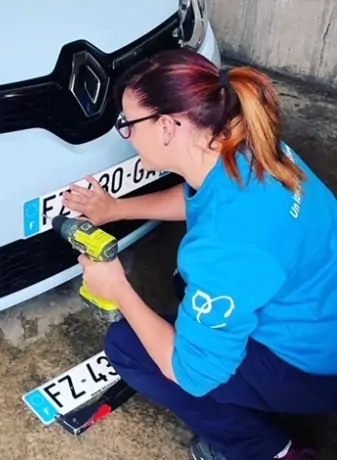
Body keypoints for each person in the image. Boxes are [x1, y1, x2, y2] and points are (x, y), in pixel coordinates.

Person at [61, 48, 337, 460]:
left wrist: (117, 288)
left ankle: (273, 450)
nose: (127, 134)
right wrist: (116, 210)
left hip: (315, 369)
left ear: (168, 126)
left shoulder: (226, 247)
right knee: (182, 283)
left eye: (128, 124)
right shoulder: (245, 143)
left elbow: (192, 374)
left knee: (127, 348)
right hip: (318, 313)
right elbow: (201, 198)